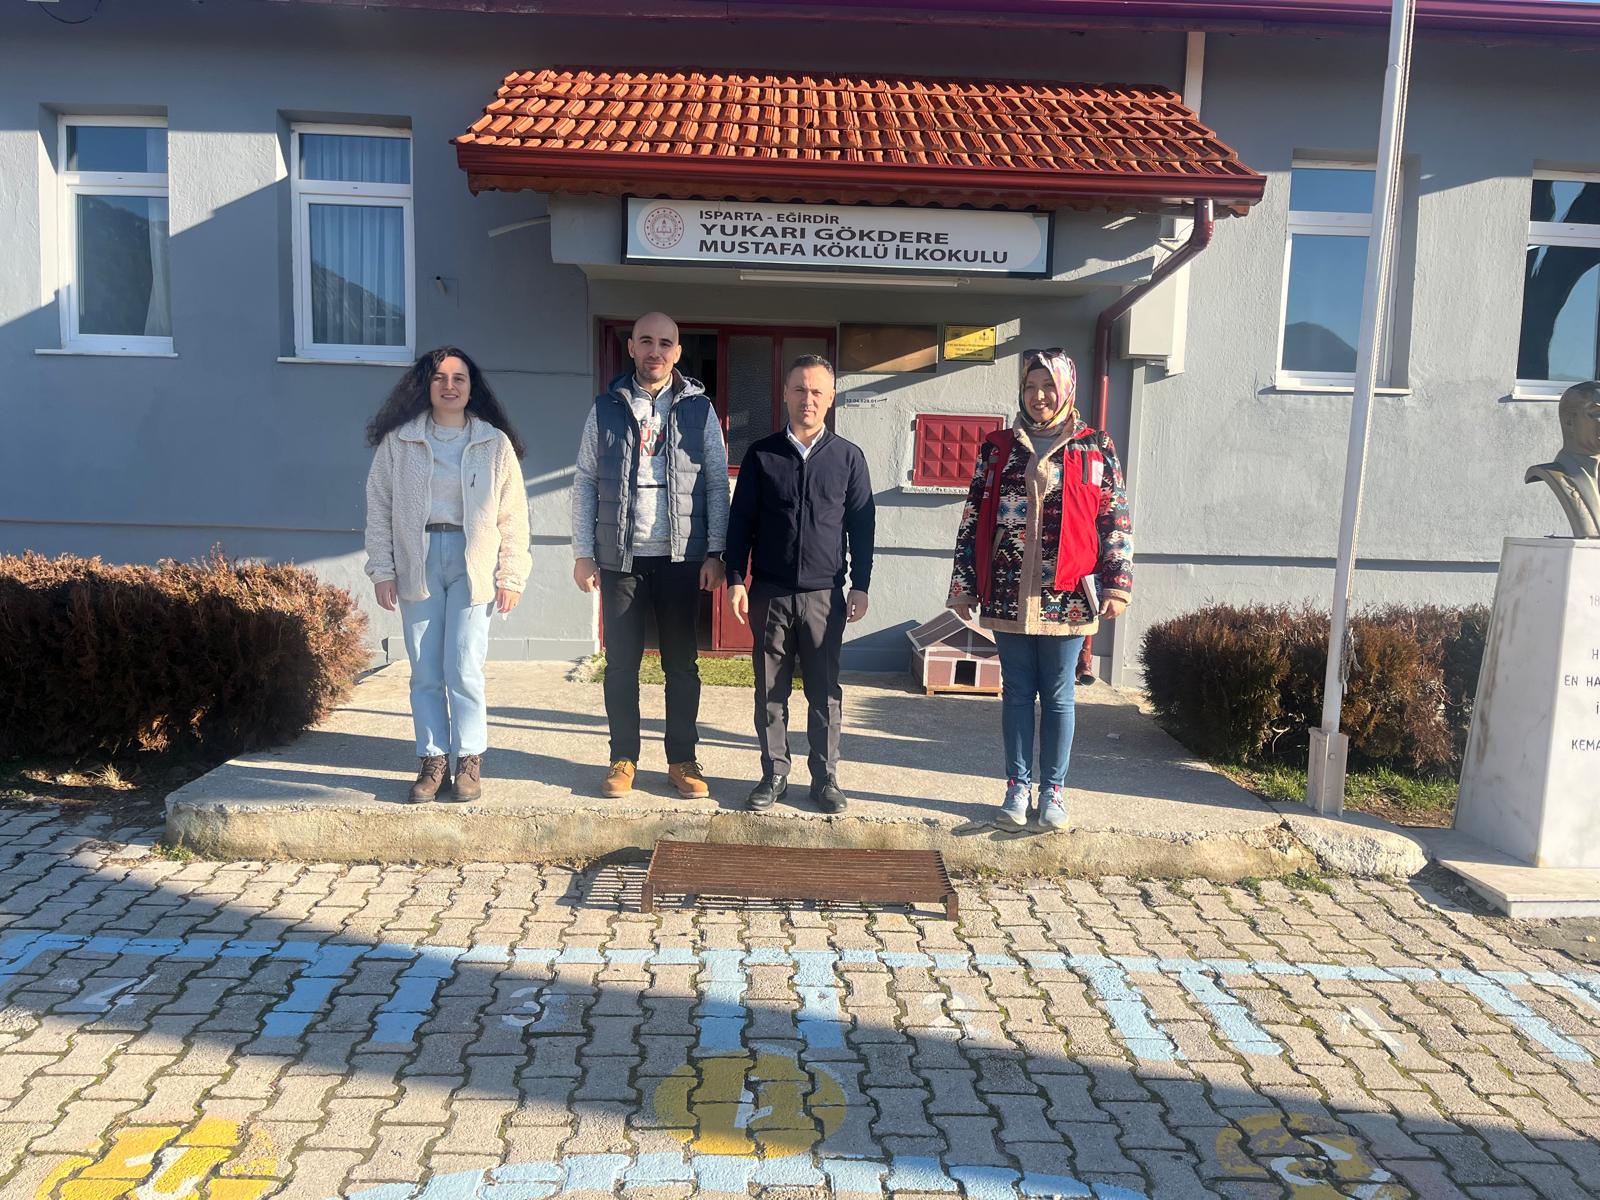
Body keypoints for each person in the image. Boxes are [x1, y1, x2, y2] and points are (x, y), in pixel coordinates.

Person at [947, 348, 1132, 831]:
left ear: (1066, 388)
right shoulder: (998, 447)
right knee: (1015, 693)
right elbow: (973, 517)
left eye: (1048, 386)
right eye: (1030, 387)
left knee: (1058, 695)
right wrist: (964, 585)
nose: (1039, 396)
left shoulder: (1095, 446)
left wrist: (1116, 583)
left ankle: (1053, 792)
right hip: (1008, 589)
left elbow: (1114, 518)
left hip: (1068, 595)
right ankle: (1016, 787)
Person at [571, 312, 730, 799]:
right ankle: (623, 758)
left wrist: (716, 552)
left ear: (677, 352)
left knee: (681, 666)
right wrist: (583, 552)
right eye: (646, 341)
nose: (655, 351)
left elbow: (716, 483)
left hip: (681, 558)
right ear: (631, 347)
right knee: (621, 665)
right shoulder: (606, 408)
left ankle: (682, 759)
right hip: (621, 557)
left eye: (665, 343)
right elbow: (585, 481)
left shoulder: (700, 410)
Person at [364, 346, 531, 803]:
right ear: (426, 385)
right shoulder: (399, 442)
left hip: (473, 561)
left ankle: (469, 759)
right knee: (424, 669)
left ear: (472, 387)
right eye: (439, 377)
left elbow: (513, 514)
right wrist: (382, 569)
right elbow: (379, 507)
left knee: (464, 667)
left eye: (459, 378)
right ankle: (433, 759)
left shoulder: (493, 443)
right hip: (416, 559)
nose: (449, 386)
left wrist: (511, 574)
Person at [726, 354, 875, 814]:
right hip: (770, 592)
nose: (807, 399)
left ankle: (825, 778)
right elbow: (741, 521)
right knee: (770, 691)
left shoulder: (848, 458)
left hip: (824, 596)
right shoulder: (761, 455)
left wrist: (861, 584)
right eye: (799, 389)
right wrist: (736, 578)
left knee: (824, 692)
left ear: (830, 399)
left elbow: (862, 526)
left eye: (816, 392)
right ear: (785, 394)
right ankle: (774, 774)